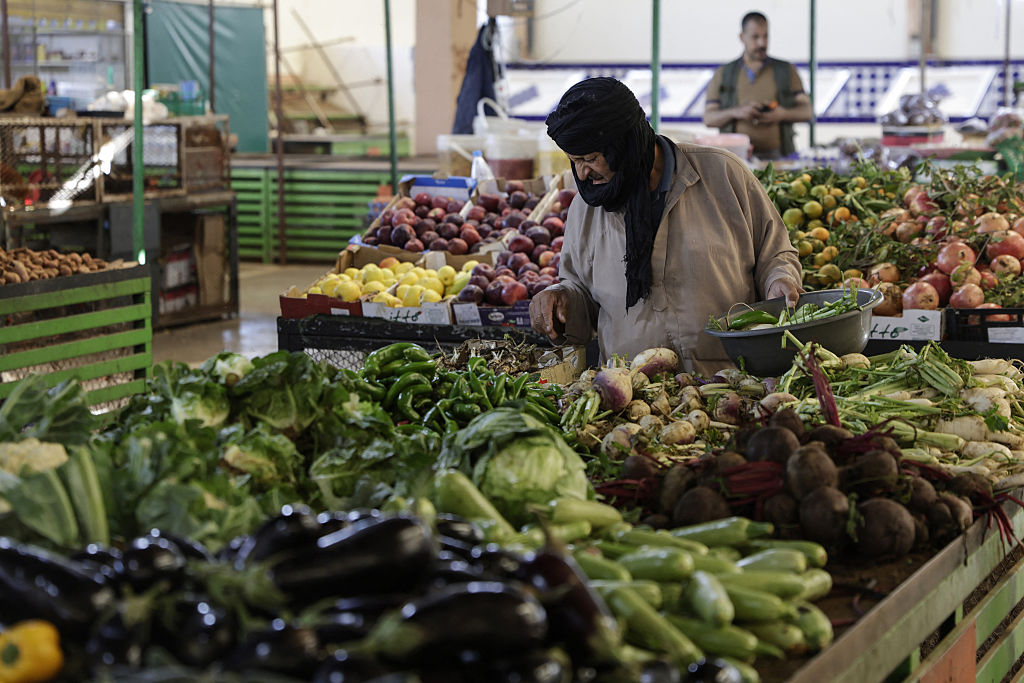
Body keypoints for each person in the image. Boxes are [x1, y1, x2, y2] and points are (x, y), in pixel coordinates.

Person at [529, 77, 802, 376]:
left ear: (625, 144)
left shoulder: (723, 174)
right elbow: (579, 290)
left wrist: (780, 279)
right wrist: (560, 299)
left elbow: (775, 253)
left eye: (591, 158)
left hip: (732, 382)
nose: (582, 173)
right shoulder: (586, 209)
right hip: (636, 399)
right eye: (574, 160)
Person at [703, 11, 812, 160]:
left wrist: (782, 114)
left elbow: (807, 112)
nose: (762, 43)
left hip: (778, 157)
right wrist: (737, 112)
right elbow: (709, 118)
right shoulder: (724, 73)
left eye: (766, 36)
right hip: (735, 159)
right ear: (742, 37)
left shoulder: (786, 70)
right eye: (755, 37)